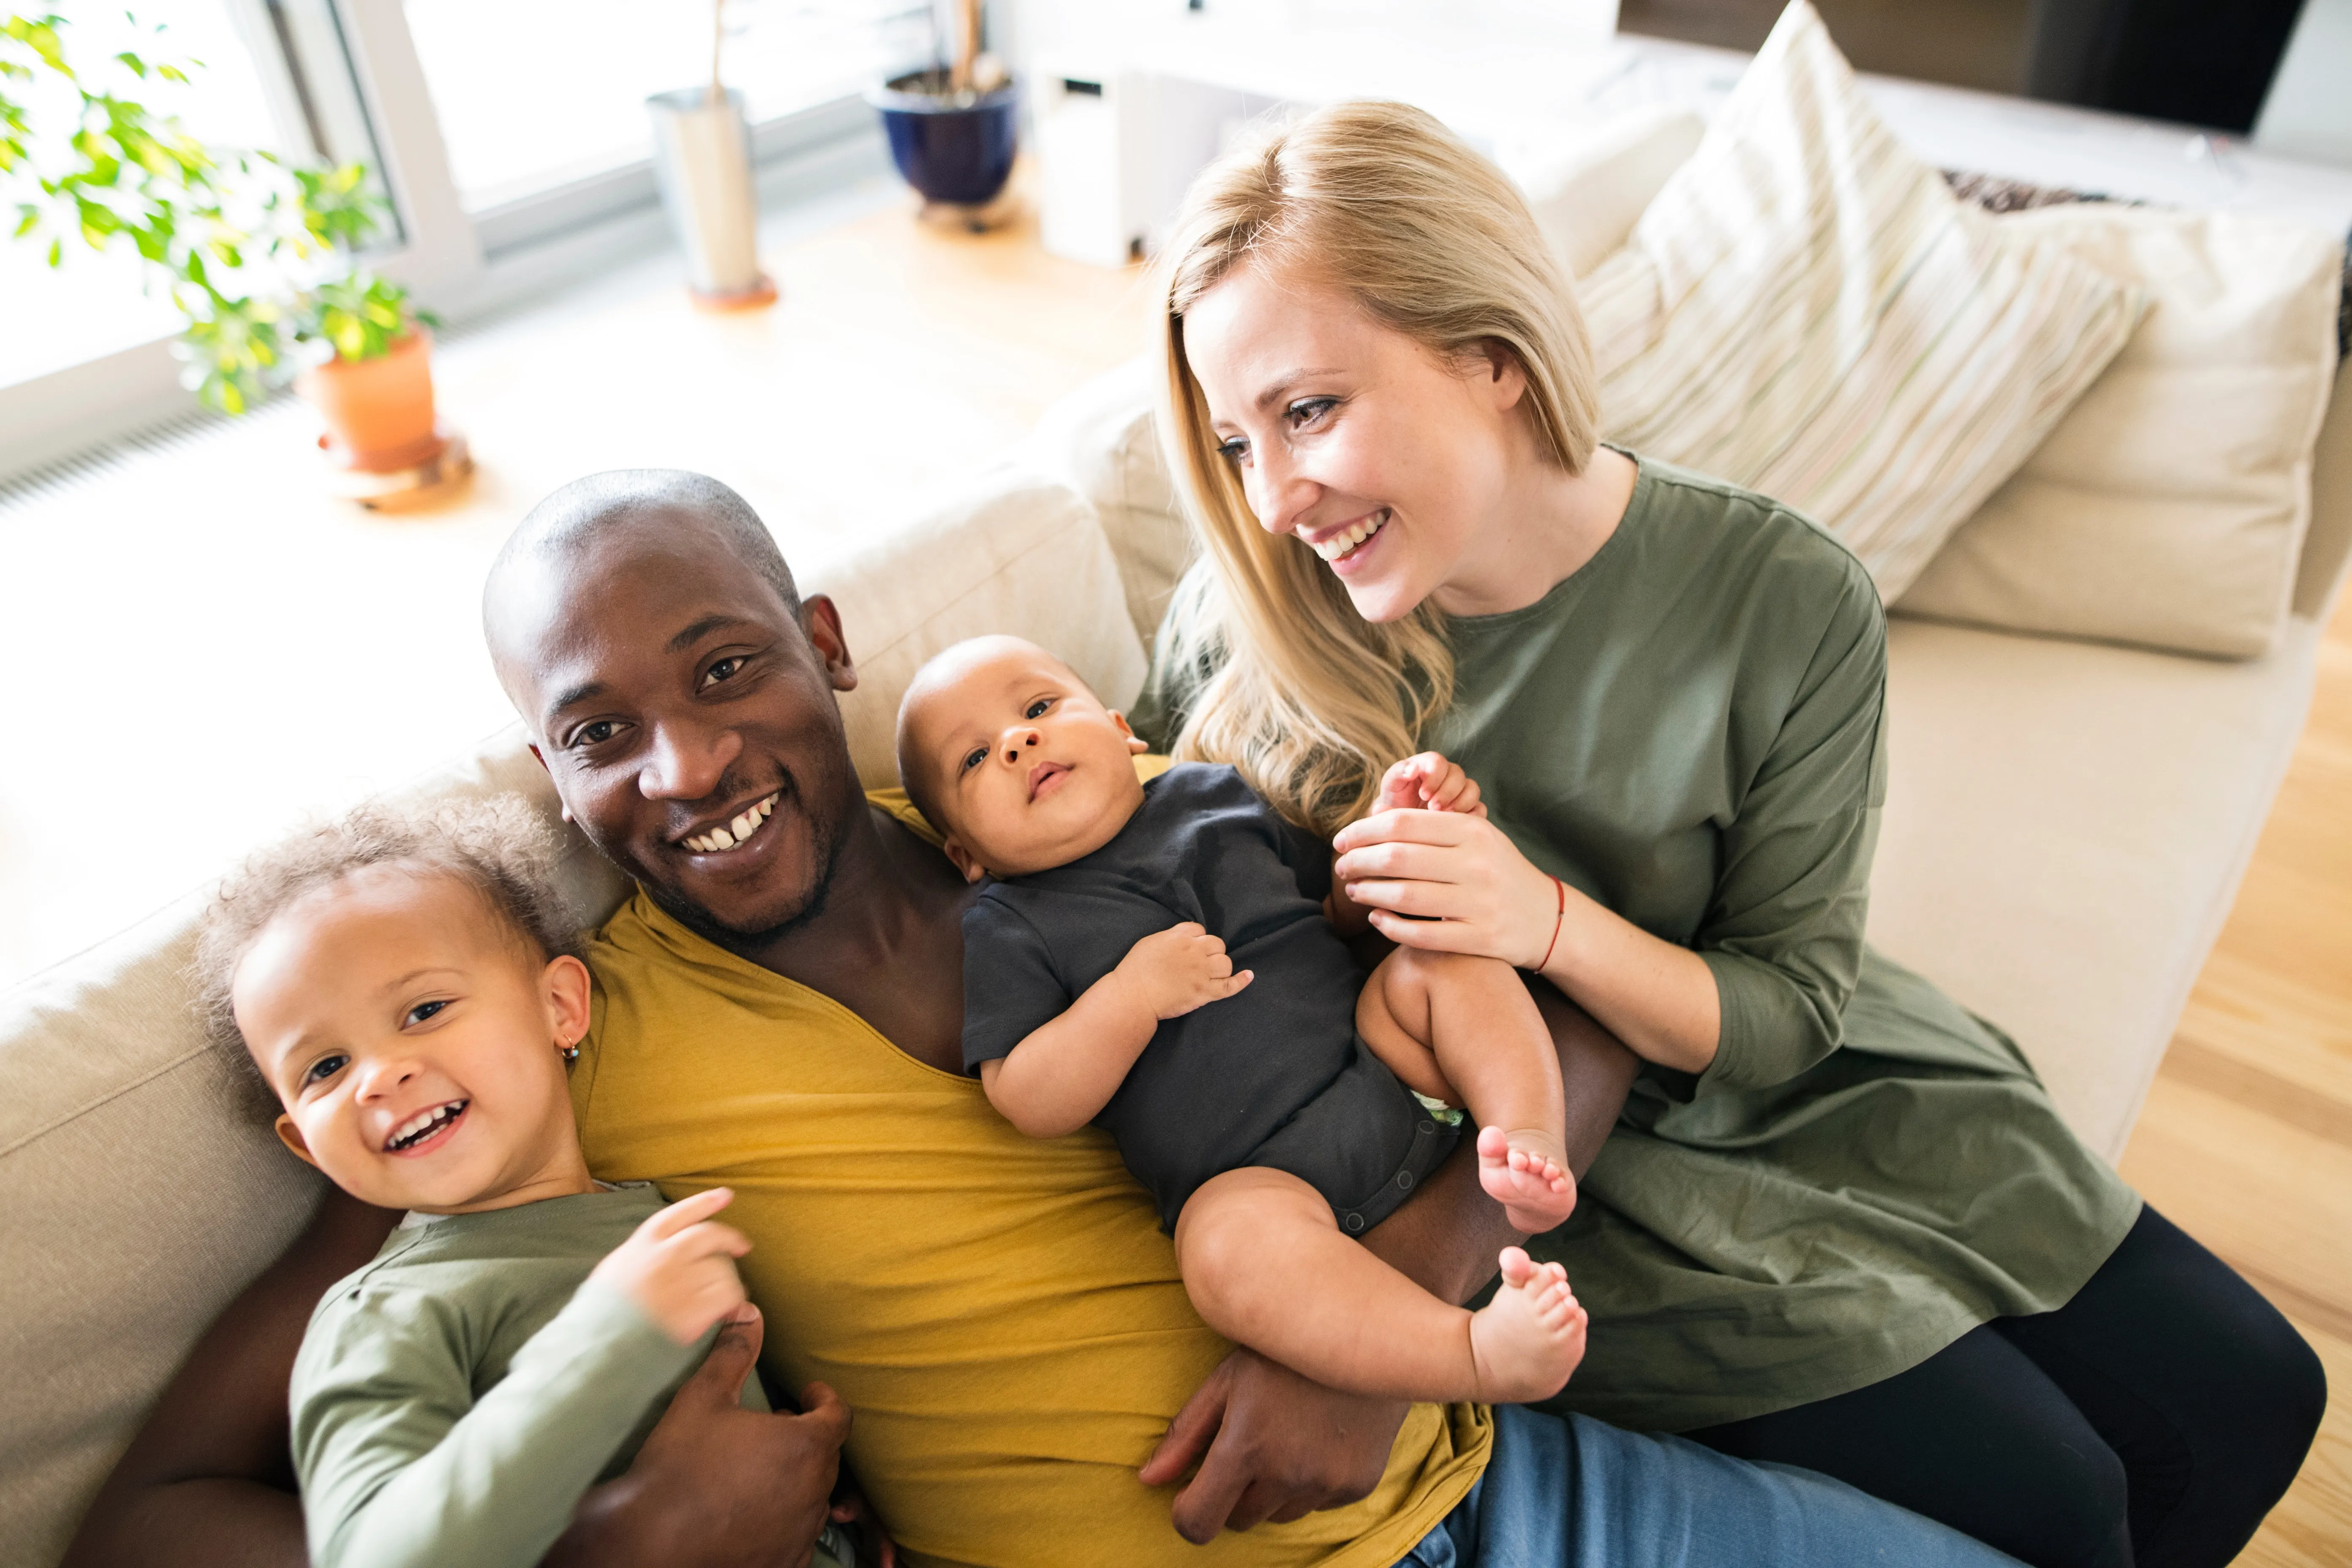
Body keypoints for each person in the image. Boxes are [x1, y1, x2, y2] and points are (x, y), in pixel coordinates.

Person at [69, 466, 2027, 1568]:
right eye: (597, 736)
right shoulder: (561, 1035)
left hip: (1496, 1484)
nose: (681, 764)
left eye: (728, 668)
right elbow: (150, 1520)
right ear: (551, 780)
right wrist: (615, 1539)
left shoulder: (1097, 799)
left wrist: (1398, 1317)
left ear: (824, 653)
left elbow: (1554, 1027)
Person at [1130, 97, 2327, 1568]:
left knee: (2260, 1396)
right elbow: (1152, 943)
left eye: (1307, 410)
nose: (1272, 498)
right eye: (1234, 438)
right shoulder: (1242, 643)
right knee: (2062, 1501)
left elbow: (1786, 1010)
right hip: (1561, 1179)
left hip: (1793, 1068)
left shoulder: (1777, 593)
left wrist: (1544, 921)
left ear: (1488, 354)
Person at [896, 634, 1582, 1405]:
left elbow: (1334, 914)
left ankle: (1524, 1143)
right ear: (966, 856)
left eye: (1038, 708)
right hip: (1259, 1183)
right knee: (1218, 1255)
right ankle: (1475, 1355)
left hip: (1387, 1064)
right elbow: (1026, 1096)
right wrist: (1128, 999)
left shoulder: (1213, 794)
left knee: (1437, 960)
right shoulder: (1011, 924)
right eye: (975, 760)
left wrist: (1389, 839)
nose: (1018, 742)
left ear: (1123, 730)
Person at [196, 797, 858, 1568]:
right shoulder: (384, 1316)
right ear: (305, 1145)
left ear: (560, 1007)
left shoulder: (653, 1210)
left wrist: (814, 1497)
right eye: (326, 1068)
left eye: (424, 1010)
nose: (380, 1076)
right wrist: (607, 1340)